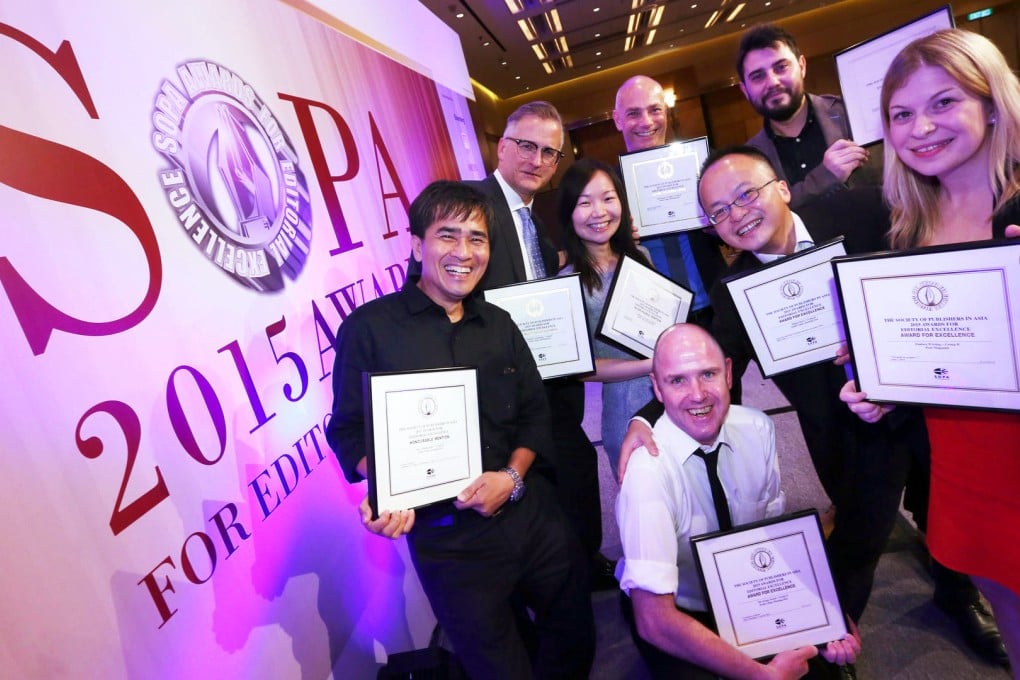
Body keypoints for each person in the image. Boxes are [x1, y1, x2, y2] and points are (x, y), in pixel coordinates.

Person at [326, 180, 595, 679]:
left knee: (575, 634)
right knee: (496, 666)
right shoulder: (369, 329)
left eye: (478, 238)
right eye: (448, 236)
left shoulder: (500, 324)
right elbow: (347, 432)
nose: (464, 252)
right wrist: (388, 487)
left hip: (529, 514)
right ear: (416, 245)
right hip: (448, 542)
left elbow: (536, 413)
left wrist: (511, 479)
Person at [841, 28, 1020, 671]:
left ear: (993, 104)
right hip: (964, 465)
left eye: (944, 103)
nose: (921, 127)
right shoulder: (908, 232)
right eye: (901, 114)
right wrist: (881, 388)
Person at [411, 101, 612, 587]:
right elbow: (432, 289)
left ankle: (581, 568)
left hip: (550, 390)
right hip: (495, 397)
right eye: (527, 145)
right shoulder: (470, 207)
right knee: (526, 504)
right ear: (501, 146)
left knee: (574, 478)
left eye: (550, 152)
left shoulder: (535, 224)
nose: (538, 160)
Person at [617, 323, 860, 679]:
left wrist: (829, 609)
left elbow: (776, 537)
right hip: (684, 610)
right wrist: (761, 676)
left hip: (750, 594)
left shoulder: (758, 428)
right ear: (656, 387)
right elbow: (654, 620)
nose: (698, 394)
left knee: (825, 671)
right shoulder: (647, 472)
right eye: (677, 380)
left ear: (729, 373)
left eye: (708, 374)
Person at [557, 158, 655, 474]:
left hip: (670, 389)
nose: (599, 212)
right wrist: (653, 364)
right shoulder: (568, 282)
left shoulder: (641, 256)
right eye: (585, 203)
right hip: (625, 402)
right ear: (569, 214)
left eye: (608, 198)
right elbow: (582, 369)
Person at [613, 75, 727, 328]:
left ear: (666, 112)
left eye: (655, 110)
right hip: (651, 314)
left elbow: (734, 228)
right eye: (633, 113)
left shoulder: (699, 166)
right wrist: (619, 241)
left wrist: (719, 223)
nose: (646, 122)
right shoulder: (608, 188)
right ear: (617, 120)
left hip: (715, 302)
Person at [737, 24, 873, 208]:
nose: (772, 82)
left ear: (801, 66)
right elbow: (771, 214)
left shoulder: (849, 112)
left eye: (781, 67)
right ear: (745, 89)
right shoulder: (748, 159)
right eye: (758, 76)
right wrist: (826, 176)